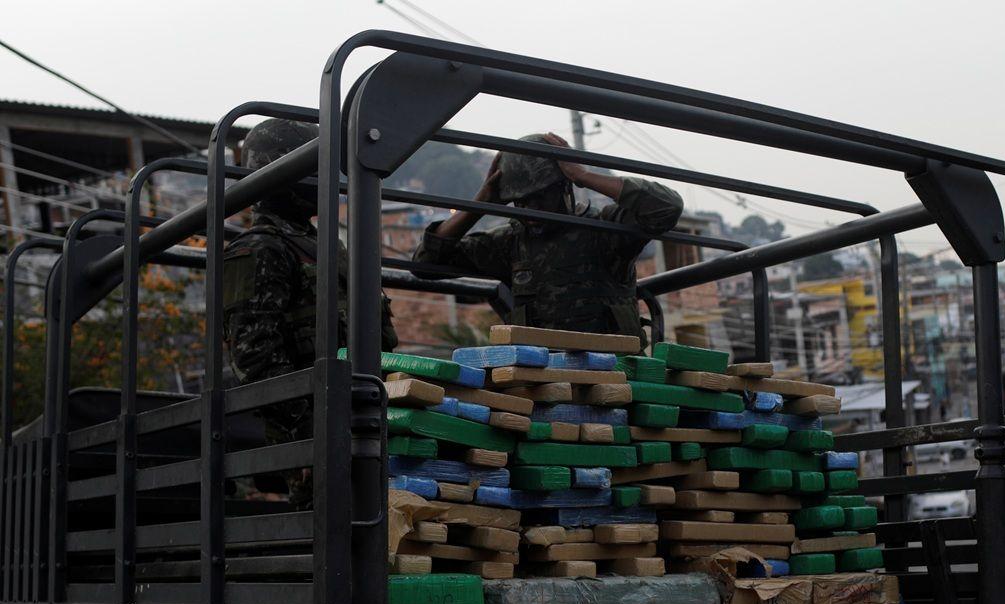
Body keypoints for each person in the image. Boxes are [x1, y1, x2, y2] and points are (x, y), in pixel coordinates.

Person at [223, 118, 398, 508]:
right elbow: (255, 359)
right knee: (340, 531)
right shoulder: (258, 249)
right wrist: (311, 429)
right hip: (316, 430)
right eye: (308, 171)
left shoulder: (326, 247)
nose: (319, 182)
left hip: (368, 413)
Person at [412, 132, 683, 340]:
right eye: (521, 202)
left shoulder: (605, 230)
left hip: (612, 376)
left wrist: (584, 175)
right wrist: (482, 202)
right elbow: (425, 263)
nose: (530, 210)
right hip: (543, 381)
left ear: (564, 188)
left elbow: (666, 207)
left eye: (540, 198)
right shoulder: (510, 244)